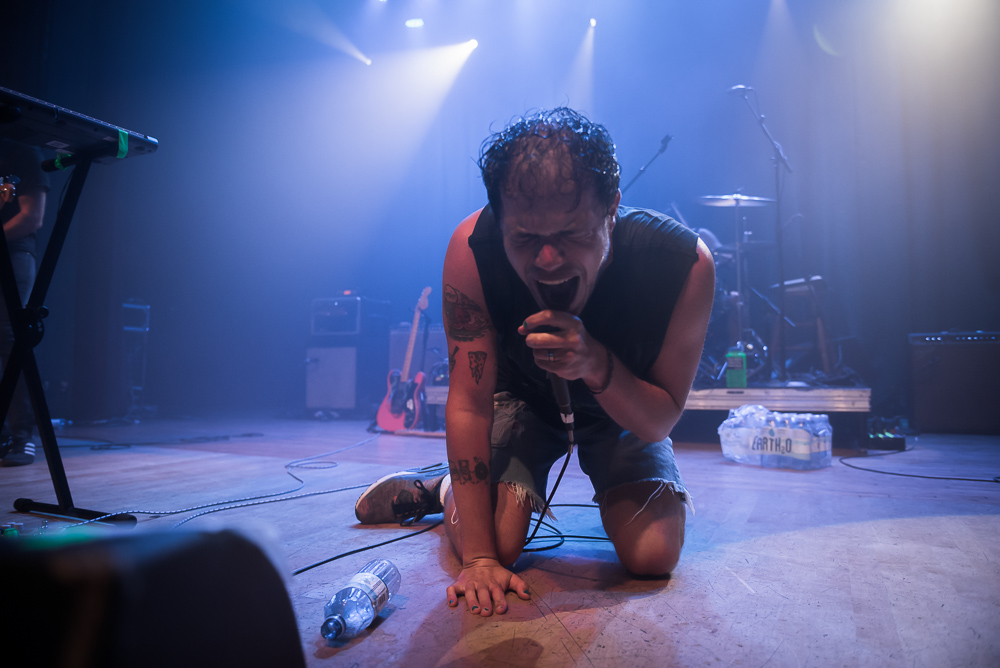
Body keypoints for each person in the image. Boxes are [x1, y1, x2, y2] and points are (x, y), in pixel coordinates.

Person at [355, 108, 715, 616]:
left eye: (571, 234)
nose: (548, 259)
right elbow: (468, 403)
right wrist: (478, 558)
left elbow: (660, 419)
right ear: (500, 218)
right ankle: (444, 488)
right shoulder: (471, 250)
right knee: (497, 545)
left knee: (652, 554)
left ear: (612, 208)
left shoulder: (684, 265)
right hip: (518, 399)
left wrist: (595, 363)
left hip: (623, 405)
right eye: (525, 239)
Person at [0, 138, 49, 466]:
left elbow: (33, 218)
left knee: (9, 341)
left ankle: (22, 436)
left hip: (13, 253)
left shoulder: (22, 152)